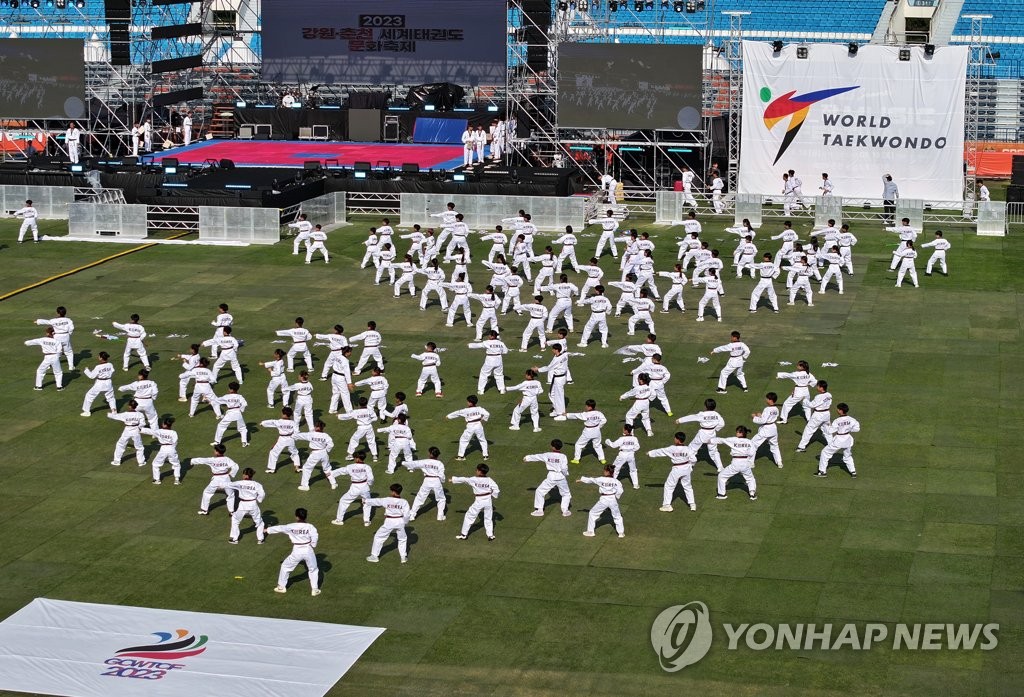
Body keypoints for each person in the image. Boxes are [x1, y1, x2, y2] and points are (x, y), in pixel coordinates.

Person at [267, 508, 320, 595]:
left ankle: (281, 587)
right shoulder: (310, 527)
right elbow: (315, 536)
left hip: (297, 550)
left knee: (285, 566)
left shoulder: (291, 526)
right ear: (305, 517)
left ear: (296, 517)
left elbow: (280, 528)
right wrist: (313, 545)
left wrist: (268, 530)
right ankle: (315, 589)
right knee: (313, 569)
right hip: (308, 550)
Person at [648, 431, 697, 512]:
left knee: (669, 486)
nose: (674, 439)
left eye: (675, 438)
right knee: (688, 486)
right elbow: (694, 459)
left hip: (677, 469)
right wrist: (691, 466)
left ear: (678, 440)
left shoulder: (672, 448)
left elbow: (661, 451)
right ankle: (692, 505)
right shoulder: (688, 449)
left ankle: (667, 505)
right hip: (686, 468)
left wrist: (650, 453)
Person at [363, 483, 410, 564]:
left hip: (389, 521)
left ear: (394, 492)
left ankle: (374, 556)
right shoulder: (404, 502)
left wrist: (366, 501)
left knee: (379, 536)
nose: (390, 492)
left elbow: (377, 501)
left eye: (391, 491)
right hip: (400, 521)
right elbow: (407, 515)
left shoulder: (387, 500)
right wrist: (404, 522)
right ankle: (403, 557)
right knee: (402, 538)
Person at [524, 439, 572, 517]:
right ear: (560, 447)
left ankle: (539, 510)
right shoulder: (563, 456)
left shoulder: (547, 455)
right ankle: (565, 510)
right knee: (566, 494)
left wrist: (527, 458)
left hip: (551, 477)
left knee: (540, 491)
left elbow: (537, 457)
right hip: (561, 477)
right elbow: (564, 468)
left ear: (552, 447)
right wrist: (565, 474)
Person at [451, 463, 500, 540]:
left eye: (477, 470)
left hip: (479, 501)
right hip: (488, 501)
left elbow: (464, 479)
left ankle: (464, 535)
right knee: (488, 518)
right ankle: (490, 535)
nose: (476, 471)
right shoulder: (490, 480)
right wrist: (493, 495)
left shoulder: (474, 479)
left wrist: (453, 480)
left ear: (480, 472)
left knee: (469, 516)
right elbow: (496, 489)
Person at [675, 398, 725, 472]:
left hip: (702, 434)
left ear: (705, 406)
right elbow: (722, 424)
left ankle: (689, 464)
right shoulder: (717, 415)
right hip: (712, 434)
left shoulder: (702, 414)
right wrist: (715, 428)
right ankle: (720, 467)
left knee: (692, 448)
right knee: (714, 451)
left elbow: (692, 417)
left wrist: (680, 420)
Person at [575, 464, 625, 537]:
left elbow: (591, 480)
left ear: (607, 472)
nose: (604, 471)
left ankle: (590, 532)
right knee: (617, 516)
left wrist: (581, 480)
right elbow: (620, 491)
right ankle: (621, 533)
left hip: (603, 500)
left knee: (592, 513)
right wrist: (616, 497)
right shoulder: (616, 481)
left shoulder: (601, 479)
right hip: (613, 499)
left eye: (605, 470)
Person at [713, 425, 758, 501]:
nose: (736, 433)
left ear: (741, 433)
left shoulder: (733, 440)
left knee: (721, 476)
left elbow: (722, 440)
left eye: (737, 432)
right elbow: (752, 453)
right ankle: (752, 494)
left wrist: (710, 440)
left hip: (736, 463)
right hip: (745, 463)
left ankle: (721, 494)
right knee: (750, 478)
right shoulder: (750, 442)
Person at [816, 402, 861, 478]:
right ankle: (853, 472)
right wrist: (849, 429)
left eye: (838, 409)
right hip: (848, 440)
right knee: (847, 456)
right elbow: (857, 429)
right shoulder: (852, 419)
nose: (837, 410)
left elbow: (830, 431)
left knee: (825, 452)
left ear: (840, 411)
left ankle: (822, 472)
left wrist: (825, 426)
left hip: (838, 440)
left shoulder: (837, 421)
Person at [193, 443, 240, 514]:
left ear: (217, 452)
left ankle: (204, 510)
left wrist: (192, 461)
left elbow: (202, 460)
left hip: (216, 480)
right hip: (226, 479)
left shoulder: (212, 460)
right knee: (230, 495)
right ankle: (232, 511)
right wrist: (231, 474)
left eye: (215, 450)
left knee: (207, 492)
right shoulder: (227, 459)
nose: (214, 451)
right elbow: (236, 466)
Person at [330, 450, 374, 525]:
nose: (354, 459)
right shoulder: (367, 467)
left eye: (354, 458)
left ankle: (339, 520)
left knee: (343, 501)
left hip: (355, 487)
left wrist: (331, 473)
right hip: (365, 487)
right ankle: (366, 521)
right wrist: (369, 484)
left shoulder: (350, 467)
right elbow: (371, 478)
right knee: (367, 503)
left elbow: (341, 471)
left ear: (357, 458)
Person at [405, 446, 447, 521]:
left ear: (431, 454)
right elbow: (441, 475)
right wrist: (442, 481)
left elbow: (414, 464)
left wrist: (404, 463)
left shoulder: (425, 461)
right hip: (436, 480)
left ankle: (412, 515)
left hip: (427, 480)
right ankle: (440, 516)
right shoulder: (440, 464)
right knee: (441, 498)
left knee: (420, 498)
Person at [225, 468, 266, 544]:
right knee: (259, 522)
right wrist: (259, 499)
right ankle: (260, 539)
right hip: (253, 504)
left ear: (246, 475)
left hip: (243, 505)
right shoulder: (257, 484)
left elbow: (228, 484)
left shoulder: (239, 483)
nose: (242, 475)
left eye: (243, 474)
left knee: (235, 519)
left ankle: (234, 539)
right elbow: (262, 494)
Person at [447, 395, 490, 460]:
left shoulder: (466, 410)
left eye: (468, 402)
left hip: (470, 426)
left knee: (463, 440)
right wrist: (483, 418)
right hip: (479, 425)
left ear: (470, 403)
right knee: (482, 439)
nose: (467, 403)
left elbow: (457, 413)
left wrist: (448, 416)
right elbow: (487, 414)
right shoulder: (480, 409)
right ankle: (485, 455)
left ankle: (461, 456)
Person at [34, 306, 75, 373]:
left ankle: (48, 365)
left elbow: (46, 322)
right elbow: (72, 328)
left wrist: (38, 321)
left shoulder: (53, 320)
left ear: (57, 313)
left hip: (57, 337)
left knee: (54, 352)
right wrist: (68, 333)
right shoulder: (68, 320)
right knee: (68, 352)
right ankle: (71, 366)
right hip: (65, 336)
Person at [141, 416, 180, 485]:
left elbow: (150, 431)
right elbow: (175, 441)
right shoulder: (174, 432)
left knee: (155, 464)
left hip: (163, 449)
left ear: (165, 425)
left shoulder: (159, 431)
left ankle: (157, 480)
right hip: (172, 448)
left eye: (162, 423)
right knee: (176, 464)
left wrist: (141, 429)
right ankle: (177, 480)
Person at [566, 400, 607, 465]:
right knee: (597, 445)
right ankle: (602, 459)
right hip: (597, 431)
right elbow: (604, 420)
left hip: (588, 431)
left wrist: (567, 414)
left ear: (590, 407)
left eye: (586, 406)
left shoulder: (586, 414)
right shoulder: (599, 413)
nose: (585, 407)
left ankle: (576, 459)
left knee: (578, 445)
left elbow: (576, 416)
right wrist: (599, 426)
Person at [467, 330, 508, 395]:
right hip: (499, 359)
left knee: (484, 374)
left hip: (490, 360)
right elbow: (505, 351)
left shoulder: (487, 342)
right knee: (499, 375)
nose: (488, 336)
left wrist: (469, 345)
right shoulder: (501, 343)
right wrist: (498, 352)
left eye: (489, 335)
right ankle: (502, 389)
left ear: (492, 336)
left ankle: (481, 390)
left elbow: (478, 345)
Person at [261, 406, 300, 474]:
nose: (281, 414)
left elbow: (271, 422)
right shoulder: (293, 423)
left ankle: (272, 469)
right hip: (291, 439)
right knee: (295, 453)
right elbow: (297, 432)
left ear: (284, 414)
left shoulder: (279, 422)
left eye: (282, 413)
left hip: (282, 439)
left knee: (273, 452)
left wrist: (262, 423)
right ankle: (297, 467)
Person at [536, 344, 570, 420]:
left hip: (559, 378)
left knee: (559, 396)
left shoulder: (557, 359)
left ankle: (561, 414)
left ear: (556, 350)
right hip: (561, 377)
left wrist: (538, 369)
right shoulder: (565, 355)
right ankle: (556, 409)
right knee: (552, 394)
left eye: (553, 349)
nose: (552, 350)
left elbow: (549, 368)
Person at [24, 326, 64, 391]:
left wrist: (26, 342)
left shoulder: (42, 339)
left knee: (40, 371)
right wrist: (57, 357)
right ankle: (59, 387)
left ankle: (38, 386)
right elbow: (60, 351)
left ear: (48, 333)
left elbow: (33, 342)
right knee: (58, 372)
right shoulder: (57, 341)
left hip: (47, 357)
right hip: (55, 356)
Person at [338, 397, 378, 461]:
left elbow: (348, 416)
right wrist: (369, 421)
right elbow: (375, 418)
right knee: (371, 441)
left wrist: (339, 416)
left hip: (361, 428)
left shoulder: (356, 412)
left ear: (359, 404)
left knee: (354, 439)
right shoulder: (370, 410)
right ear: (366, 403)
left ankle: (350, 455)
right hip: (369, 427)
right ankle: (375, 456)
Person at [796, 380, 832, 452]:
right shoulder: (829, 395)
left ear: (821, 388)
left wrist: (805, 400)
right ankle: (832, 445)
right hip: (826, 414)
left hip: (818, 415)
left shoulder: (818, 396)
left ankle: (801, 447)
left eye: (818, 386)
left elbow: (811, 405)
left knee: (808, 430)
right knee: (827, 430)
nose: (817, 387)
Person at [750, 392, 783, 468]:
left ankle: (751, 463)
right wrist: (760, 416)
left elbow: (763, 421)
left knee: (753, 444)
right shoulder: (776, 409)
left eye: (767, 398)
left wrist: (754, 417)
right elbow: (768, 418)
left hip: (766, 429)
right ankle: (779, 462)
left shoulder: (767, 409)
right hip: (773, 428)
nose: (765, 399)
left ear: (770, 400)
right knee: (775, 446)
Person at [108, 400, 145, 466]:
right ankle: (141, 462)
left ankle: (116, 461)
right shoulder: (140, 414)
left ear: (129, 406)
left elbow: (115, 416)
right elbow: (143, 423)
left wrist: (110, 414)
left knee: (120, 444)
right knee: (139, 447)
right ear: (135, 406)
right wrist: (138, 428)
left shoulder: (125, 414)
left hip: (127, 430)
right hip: (136, 430)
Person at [212, 381, 249, 447]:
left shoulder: (227, 396)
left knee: (221, 426)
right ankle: (244, 442)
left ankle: (217, 441)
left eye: (229, 388)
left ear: (231, 389)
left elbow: (217, 400)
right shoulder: (240, 396)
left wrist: (209, 399)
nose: (228, 389)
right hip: (238, 413)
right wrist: (241, 409)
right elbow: (245, 404)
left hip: (230, 414)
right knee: (242, 428)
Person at [605, 424, 641, 490]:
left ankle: (611, 483)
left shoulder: (622, 438)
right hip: (631, 454)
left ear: (626, 430)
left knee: (615, 469)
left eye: (624, 429)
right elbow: (637, 447)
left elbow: (613, 445)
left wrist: (608, 441)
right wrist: (631, 450)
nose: (623, 430)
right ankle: (636, 484)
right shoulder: (634, 438)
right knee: (633, 469)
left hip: (623, 454)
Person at [81, 351, 117, 416]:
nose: (98, 357)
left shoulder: (98, 367)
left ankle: (87, 412)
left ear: (101, 358)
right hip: (108, 382)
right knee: (111, 397)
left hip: (100, 383)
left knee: (89, 395)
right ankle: (114, 411)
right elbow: (112, 371)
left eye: (99, 356)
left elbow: (91, 376)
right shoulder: (110, 364)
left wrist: (86, 370)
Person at [620, 373, 654, 438]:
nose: (637, 380)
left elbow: (630, 393)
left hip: (639, 403)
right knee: (646, 417)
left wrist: (622, 397)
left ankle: (630, 432)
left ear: (641, 380)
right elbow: (654, 394)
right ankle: (649, 431)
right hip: (646, 402)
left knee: (629, 416)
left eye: (638, 379)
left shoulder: (637, 388)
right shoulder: (649, 386)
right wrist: (649, 399)